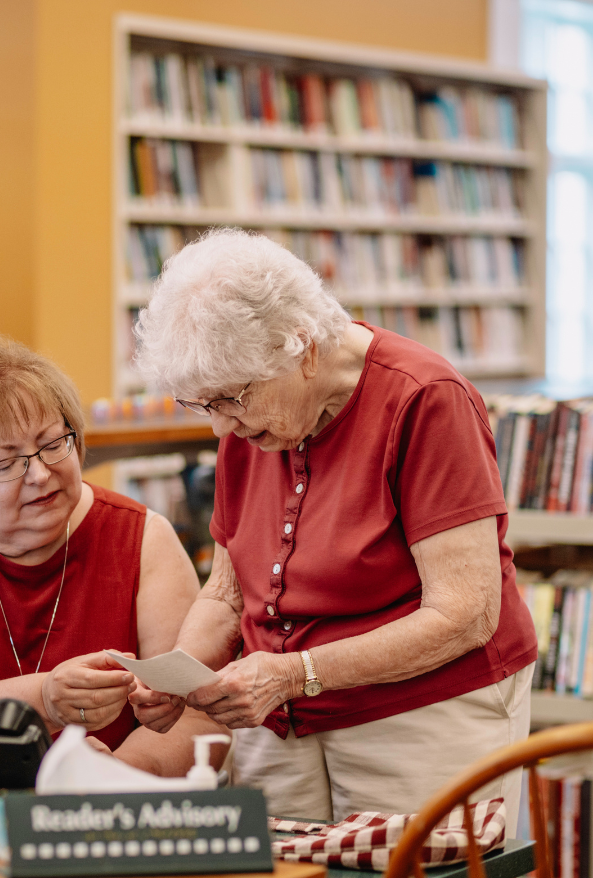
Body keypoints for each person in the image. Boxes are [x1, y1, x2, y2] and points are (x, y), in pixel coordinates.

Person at [130, 229, 538, 825]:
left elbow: (466, 613)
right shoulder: (254, 417)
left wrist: (297, 674)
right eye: (204, 405)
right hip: (277, 719)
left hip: (420, 711)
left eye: (232, 399)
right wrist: (178, 672)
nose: (222, 429)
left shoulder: (426, 400)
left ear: (303, 348)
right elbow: (227, 592)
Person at [0, 331, 222, 775]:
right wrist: (43, 699)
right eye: (7, 463)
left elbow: (201, 716)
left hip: (113, 822)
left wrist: (117, 776)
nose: (40, 474)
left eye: (53, 444)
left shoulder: (142, 537)